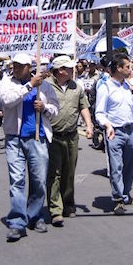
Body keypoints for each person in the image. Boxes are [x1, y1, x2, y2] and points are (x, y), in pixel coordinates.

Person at [0, 53, 59, 242]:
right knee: (17, 181)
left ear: (29, 66)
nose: (15, 68)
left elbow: (55, 109)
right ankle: (17, 221)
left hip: (37, 137)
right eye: (14, 65)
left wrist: (45, 108)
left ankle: (35, 215)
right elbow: (7, 101)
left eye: (20, 66)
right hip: (14, 139)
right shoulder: (7, 82)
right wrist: (29, 85)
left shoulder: (45, 86)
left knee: (39, 180)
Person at [44, 56, 93, 227]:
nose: (74, 70)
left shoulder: (76, 87)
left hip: (72, 136)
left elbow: (83, 107)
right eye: (70, 68)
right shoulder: (45, 86)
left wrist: (89, 125)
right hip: (53, 136)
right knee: (55, 173)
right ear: (60, 70)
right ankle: (55, 209)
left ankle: (68, 204)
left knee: (69, 172)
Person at [95, 54, 133, 215]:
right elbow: (99, 113)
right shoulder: (105, 87)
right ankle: (118, 198)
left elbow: (132, 107)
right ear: (118, 68)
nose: (130, 69)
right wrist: (107, 125)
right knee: (116, 166)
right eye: (127, 67)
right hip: (114, 131)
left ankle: (126, 193)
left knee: (130, 165)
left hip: (130, 130)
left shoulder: (126, 86)